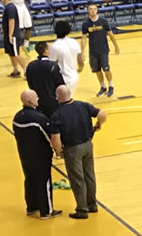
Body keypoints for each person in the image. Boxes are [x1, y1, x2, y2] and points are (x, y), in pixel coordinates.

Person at [50, 84, 104, 219]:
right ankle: (92, 204)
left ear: (58, 97)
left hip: (72, 149)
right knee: (89, 175)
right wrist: (98, 125)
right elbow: (102, 114)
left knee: (77, 179)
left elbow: (55, 138)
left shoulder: (57, 114)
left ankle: (82, 209)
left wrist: (58, 151)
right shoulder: (83, 105)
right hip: (87, 145)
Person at [12, 91, 56, 218]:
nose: (38, 98)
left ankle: (32, 207)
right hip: (40, 155)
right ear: (30, 101)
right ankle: (46, 211)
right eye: (36, 97)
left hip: (24, 154)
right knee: (44, 181)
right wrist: (58, 150)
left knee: (30, 179)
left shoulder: (17, 117)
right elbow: (49, 137)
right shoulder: (39, 118)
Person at [83, 2, 119, 98]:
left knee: (106, 69)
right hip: (93, 51)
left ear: (97, 10)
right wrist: (82, 52)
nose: (92, 11)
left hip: (103, 50)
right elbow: (83, 38)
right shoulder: (86, 23)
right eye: (90, 9)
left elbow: (110, 34)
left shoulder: (103, 21)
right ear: (88, 11)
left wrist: (116, 46)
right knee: (97, 70)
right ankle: (103, 87)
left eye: (94, 9)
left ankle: (111, 86)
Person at [26, 42, 63, 116]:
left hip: (37, 100)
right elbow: (59, 84)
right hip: (52, 100)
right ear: (46, 50)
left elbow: (30, 84)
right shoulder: (53, 65)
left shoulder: (30, 66)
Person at [47, 20, 83, 91]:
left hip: (62, 78)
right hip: (74, 76)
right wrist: (79, 68)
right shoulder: (74, 42)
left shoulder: (55, 46)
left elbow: (52, 65)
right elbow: (80, 60)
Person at [1, 0, 24, 77]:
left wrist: (10, 35)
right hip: (9, 34)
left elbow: (12, 21)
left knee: (16, 53)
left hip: (13, 35)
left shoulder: (10, 7)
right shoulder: (8, 7)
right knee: (11, 53)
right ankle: (15, 71)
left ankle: (27, 70)